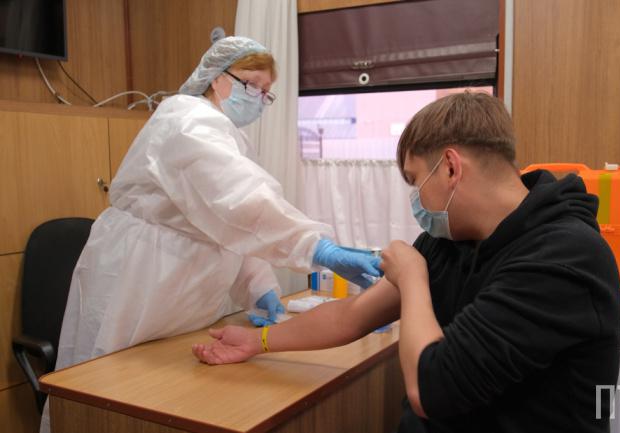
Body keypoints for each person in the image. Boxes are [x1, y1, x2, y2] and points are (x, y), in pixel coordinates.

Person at [192, 92, 620, 433]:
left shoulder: (564, 257)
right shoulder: (450, 240)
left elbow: (431, 390)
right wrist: (259, 341)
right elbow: (352, 315)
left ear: (451, 168)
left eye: (416, 181)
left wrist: (413, 277)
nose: (415, 200)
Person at [41, 37, 380, 433]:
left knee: (170, 392)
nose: (259, 99)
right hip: (141, 272)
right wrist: (316, 247)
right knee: (111, 391)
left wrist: (258, 287)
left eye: (266, 93)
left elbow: (227, 226)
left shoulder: (224, 134)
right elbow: (239, 200)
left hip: (176, 283)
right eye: (252, 84)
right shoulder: (185, 119)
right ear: (217, 78)